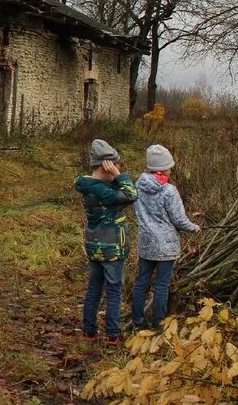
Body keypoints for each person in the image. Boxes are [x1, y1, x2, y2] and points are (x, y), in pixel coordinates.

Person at [76, 139, 138, 344]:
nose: (119, 168)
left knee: (94, 287)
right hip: (112, 248)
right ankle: (112, 334)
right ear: (107, 165)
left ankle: (89, 330)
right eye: (116, 165)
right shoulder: (103, 191)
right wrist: (120, 176)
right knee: (113, 291)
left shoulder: (88, 185)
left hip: (94, 244)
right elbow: (131, 194)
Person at [131, 144, 199, 331]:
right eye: (169, 165)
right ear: (163, 167)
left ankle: (137, 321)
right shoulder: (169, 190)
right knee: (161, 285)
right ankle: (159, 323)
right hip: (166, 246)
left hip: (146, 243)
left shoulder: (138, 186)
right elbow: (178, 219)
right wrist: (193, 227)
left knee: (142, 282)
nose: (171, 168)